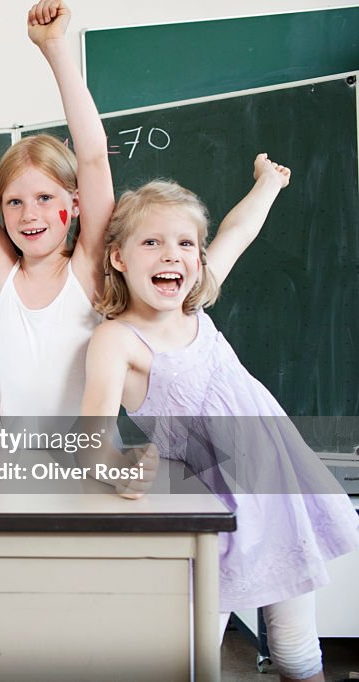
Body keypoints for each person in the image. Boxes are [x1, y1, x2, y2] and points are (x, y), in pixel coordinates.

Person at [82, 155, 359, 682]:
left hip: (278, 486)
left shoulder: (194, 305)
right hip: (216, 504)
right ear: (118, 258)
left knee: (297, 645)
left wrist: (269, 184)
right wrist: (119, 470)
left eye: (186, 244)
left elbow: (238, 230)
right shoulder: (117, 339)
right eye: (152, 243)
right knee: (195, 654)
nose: (173, 255)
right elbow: (90, 436)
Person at [0, 0, 113, 417]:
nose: (29, 215)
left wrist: (54, 46)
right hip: (18, 472)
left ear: (75, 204)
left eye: (45, 198)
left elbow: (93, 157)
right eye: (14, 202)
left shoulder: (87, 267)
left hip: (88, 470)